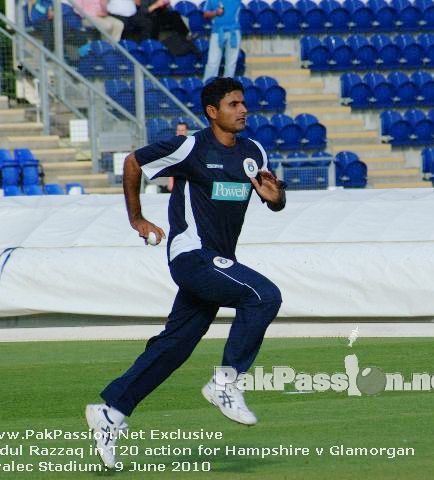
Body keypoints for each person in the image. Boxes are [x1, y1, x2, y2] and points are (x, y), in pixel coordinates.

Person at [85, 77, 286, 469]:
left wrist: (276, 198)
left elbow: (273, 199)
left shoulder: (253, 151)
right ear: (212, 112)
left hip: (217, 262)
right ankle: (225, 383)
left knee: (174, 347)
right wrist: (138, 218)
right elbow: (133, 162)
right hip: (192, 256)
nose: (243, 110)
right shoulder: (191, 146)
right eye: (233, 104)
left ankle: (110, 412)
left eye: (243, 103)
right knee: (263, 295)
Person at [201, 0, 241, 81]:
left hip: (234, 32)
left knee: (231, 63)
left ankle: (227, 88)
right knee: (212, 62)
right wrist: (216, 12)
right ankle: (209, 86)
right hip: (217, 32)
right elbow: (205, 14)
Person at [166, 122, 189, 192]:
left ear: (186, 131)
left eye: (182, 130)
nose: (180, 132)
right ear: (176, 131)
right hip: (178, 180)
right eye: (178, 130)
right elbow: (170, 164)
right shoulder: (171, 146)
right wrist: (170, 181)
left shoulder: (192, 144)